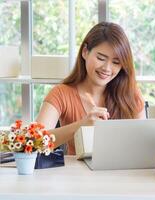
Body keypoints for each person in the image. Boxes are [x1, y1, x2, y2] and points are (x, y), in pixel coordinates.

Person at [36, 22, 145, 155]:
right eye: (101, 58)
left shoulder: (131, 94)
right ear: (85, 52)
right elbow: (37, 141)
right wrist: (82, 125)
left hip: (122, 173)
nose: (107, 68)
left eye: (116, 62)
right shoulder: (60, 93)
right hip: (76, 175)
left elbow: (142, 145)